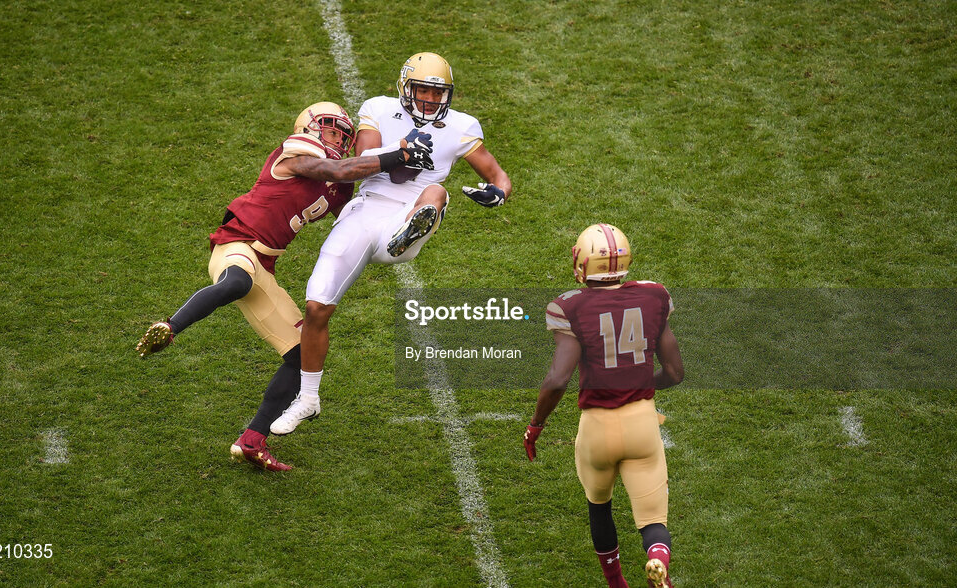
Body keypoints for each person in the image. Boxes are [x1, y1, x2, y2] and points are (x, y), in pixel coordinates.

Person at [135, 101, 427, 472]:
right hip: (236, 246)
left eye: (343, 134)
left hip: (264, 267)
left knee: (302, 355)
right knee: (237, 281)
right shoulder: (295, 154)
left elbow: (359, 203)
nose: (338, 138)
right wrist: (394, 154)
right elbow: (335, 168)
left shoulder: (339, 186)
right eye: (331, 129)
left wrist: (409, 178)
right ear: (309, 128)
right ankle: (169, 327)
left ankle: (252, 440)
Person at [269, 52, 513, 435]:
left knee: (435, 190)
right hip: (366, 210)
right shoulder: (378, 108)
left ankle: (411, 231)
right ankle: (309, 400)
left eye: (438, 93)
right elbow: (366, 156)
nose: (431, 100)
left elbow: (498, 174)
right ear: (405, 87)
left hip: (407, 212)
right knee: (316, 306)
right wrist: (400, 152)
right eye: (423, 90)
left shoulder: (462, 126)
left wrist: (497, 193)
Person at [522, 223, 684, 588]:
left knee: (600, 507)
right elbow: (674, 373)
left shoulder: (570, 306)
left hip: (596, 429)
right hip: (642, 423)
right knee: (653, 520)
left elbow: (557, 379)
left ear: (581, 263)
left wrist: (536, 425)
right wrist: (638, 383)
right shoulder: (654, 296)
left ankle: (617, 584)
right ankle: (658, 558)